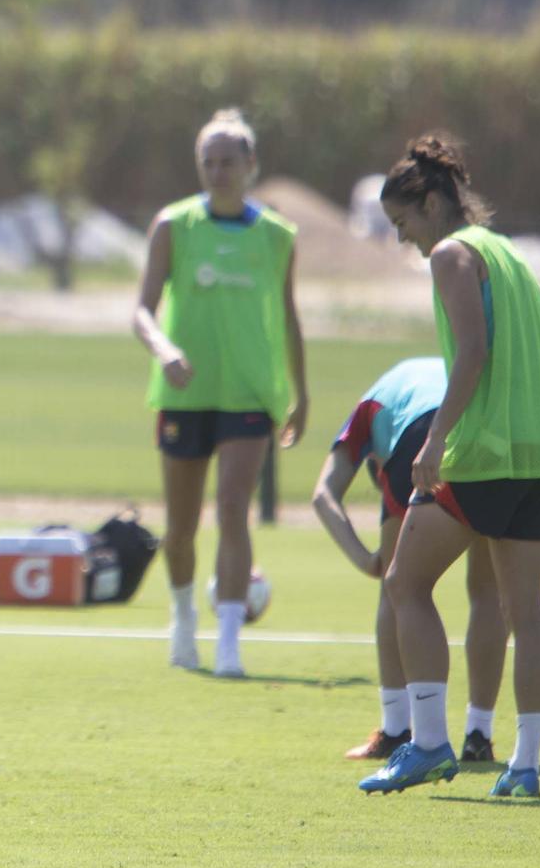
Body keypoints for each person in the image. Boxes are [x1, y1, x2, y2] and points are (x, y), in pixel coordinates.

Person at [357, 135, 540, 799]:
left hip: (485, 454)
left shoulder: (453, 254)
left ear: (431, 202)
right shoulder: (509, 253)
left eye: (404, 224)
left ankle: (427, 742)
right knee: (526, 610)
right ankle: (525, 766)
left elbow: (473, 354)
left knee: (403, 581)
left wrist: (434, 445)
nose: (406, 241)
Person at [133, 109, 308, 678]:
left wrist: (299, 394)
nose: (216, 171)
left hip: (250, 394)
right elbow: (142, 310)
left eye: (228, 161)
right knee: (180, 527)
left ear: (251, 166)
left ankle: (230, 642)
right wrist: (164, 349)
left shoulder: (277, 236)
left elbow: (288, 316)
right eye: (207, 162)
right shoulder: (174, 226)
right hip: (185, 393)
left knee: (233, 509)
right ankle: (184, 617)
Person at [312, 357, 507, 762]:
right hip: (491, 426)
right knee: (488, 591)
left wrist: (366, 560)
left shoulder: (370, 412)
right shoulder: (424, 375)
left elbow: (323, 494)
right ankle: (478, 735)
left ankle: (397, 729)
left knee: (397, 589)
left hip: (421, 434)